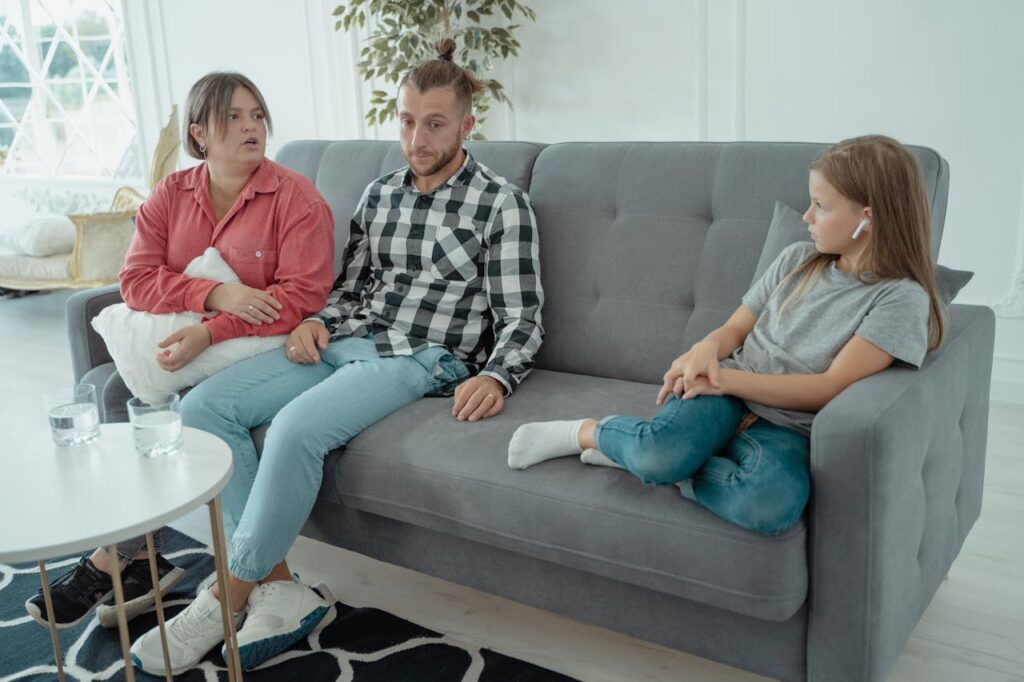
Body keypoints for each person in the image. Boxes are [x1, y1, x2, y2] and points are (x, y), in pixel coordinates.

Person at [130, 40, 543, 675]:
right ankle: (279, 588)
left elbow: (521, 317)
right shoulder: (379, 194)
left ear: (467, 125)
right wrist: (315, 322)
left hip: (420, 356)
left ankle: (225, 596)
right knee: (204, 409)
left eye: (435, 124)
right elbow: (347, 290)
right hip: (347, 339)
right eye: (407, 121)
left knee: (295, 430)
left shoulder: (501, 204)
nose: (417, 139)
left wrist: (497, 375)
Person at [508, 134, 944, 536]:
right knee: (658, 453)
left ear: (867, 218)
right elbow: (735, 328)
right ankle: (586, 433)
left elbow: (828, 387)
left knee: (768, 505)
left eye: (820, 206)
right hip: (722, 397)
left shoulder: (900, 299)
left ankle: (646, 459)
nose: (806, 216)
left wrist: (724, 379)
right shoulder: (796, 258)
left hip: (786, 426)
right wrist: (704, 350)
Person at [25, 72, 335, 632]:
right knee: (116, 391)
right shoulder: (170, 195)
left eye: (257, 116)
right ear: (199, 133)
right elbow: (135, 280)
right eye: (233, 117)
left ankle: (132, 561)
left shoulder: (297, 199)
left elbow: (302, 298)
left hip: (262, 348)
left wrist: (210, 331)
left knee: (137, 396)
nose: (251, 127)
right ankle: (136, 557)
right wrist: (214, 293)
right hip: (196, 340)